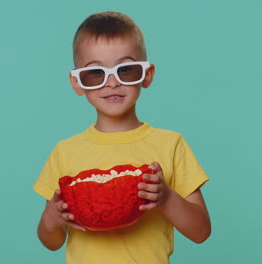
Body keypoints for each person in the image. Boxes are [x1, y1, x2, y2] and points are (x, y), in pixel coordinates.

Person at [33, 11, 211, 264]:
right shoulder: (65, 151)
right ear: (77, 83)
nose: (113, 82)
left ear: (147, 75)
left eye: (126, 70)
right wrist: (51, 221)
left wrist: (166, 197)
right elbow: (51, 242)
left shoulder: (170, 145)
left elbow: (201, 232)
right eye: (95, 73)